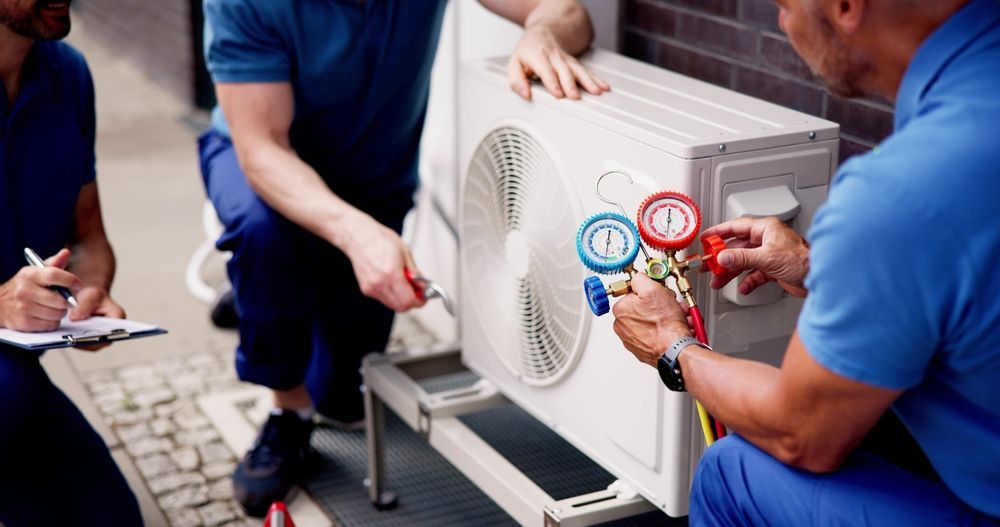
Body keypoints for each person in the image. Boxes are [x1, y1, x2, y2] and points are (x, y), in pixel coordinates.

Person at [199, 0, 609, 516]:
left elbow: (565, 10)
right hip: (263, 162)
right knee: (266, 238)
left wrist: (542, 33)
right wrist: (355, 235)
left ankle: (270, 291)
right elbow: (262, 150)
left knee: (343, 400)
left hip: (374, 177)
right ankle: (286, 412)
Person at [610, 0, 1000, 524]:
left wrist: (671, 345)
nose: (781, 22)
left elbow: (802, 437)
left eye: (785, 5)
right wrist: (822, 266)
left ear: (844, 7)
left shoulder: (900, 191)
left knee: (731, 470)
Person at [0, 0, 142, 524]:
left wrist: (91, 293)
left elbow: (88, 236)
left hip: (12, 368)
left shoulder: (67, 72)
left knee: (112, 519)